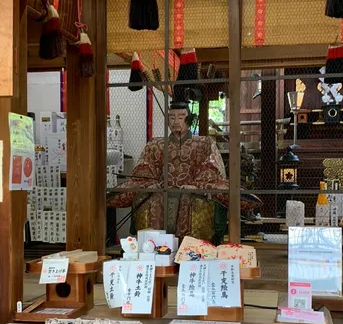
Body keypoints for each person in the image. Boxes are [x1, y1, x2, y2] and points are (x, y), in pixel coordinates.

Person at [107, 102, 259, 240]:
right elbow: (144, 171)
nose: (176, 122)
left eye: (181, 117)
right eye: (172, 118)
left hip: (192, 193)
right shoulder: (155, 145)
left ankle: (192, 251)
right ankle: (152, 251)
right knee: (150, 201)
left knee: (196, 202)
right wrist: (151, 185)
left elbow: (211, 171)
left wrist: (196, 186)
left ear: (189, 119)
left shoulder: (204, 144)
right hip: (161, 192)